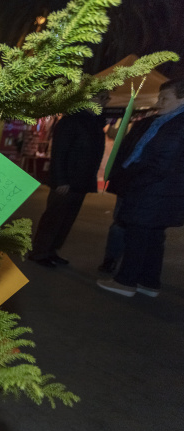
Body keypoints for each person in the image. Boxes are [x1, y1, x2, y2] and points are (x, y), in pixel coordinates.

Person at [97, 78, 184, 297]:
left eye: (165, 98)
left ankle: (126, 282)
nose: (159, 102)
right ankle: (148, 282)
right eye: (159, 97)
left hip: (153, 190)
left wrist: (132, 180)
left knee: (137, 236)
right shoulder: (167, 120)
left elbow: (161, 163)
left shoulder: (177, 124)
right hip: (157, 190)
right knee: (152, 237)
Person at [28, 91, 110, 267]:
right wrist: (61, 180)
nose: (105, 102)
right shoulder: (72, 120)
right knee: (54, 217)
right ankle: (40, 252)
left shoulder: (94, 122)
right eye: (102, 97)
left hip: (81, 180)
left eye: (106, 98)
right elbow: (59, 153)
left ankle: (52, 250)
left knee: (66, 219)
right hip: (67, 181)